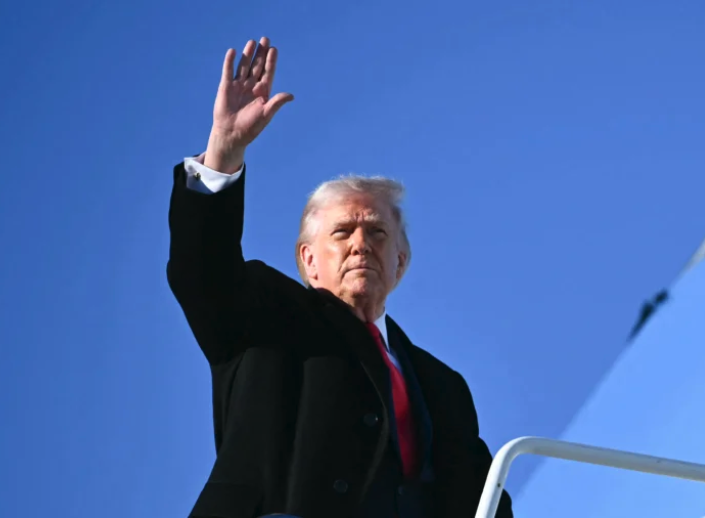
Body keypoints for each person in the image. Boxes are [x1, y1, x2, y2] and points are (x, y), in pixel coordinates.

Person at [167, 36, 513, 518]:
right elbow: (201, 269)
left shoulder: (444, 386)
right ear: (308, 261)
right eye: (343, 232)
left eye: (377, 232)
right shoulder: (264, 317)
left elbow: (482, 500)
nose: (360, 243)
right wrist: (223, 152)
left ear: (401, 260)